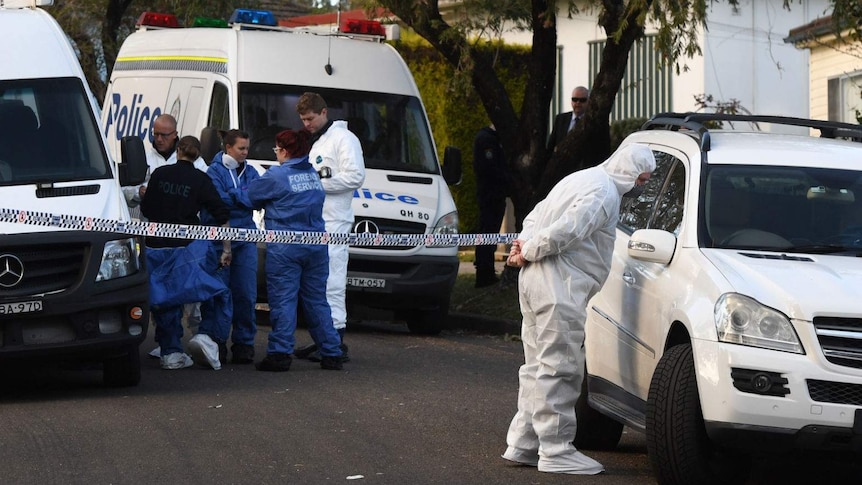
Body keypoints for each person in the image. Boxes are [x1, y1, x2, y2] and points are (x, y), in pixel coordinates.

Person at [501, 143, 655, 475]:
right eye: (642, 179)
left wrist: (523, 245)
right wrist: (529, 249)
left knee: (536, 367)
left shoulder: (581, 178)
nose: (641, 186)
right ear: (629, 172)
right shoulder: (604, 194)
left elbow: (536, 215)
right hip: (560, 285)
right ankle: (555, 450)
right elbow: (567, 230)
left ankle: (523, 443)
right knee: (561, 368)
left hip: (536, 282)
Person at [247, 129, 344, 371]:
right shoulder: (312, 174)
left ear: (285, 151)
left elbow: (248, 197)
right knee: (317, 301)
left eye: (277, 149)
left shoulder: (278, 175)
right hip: (316, 247)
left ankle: (280, 354)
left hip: (286, 249)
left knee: (283, 302)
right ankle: (332, 352)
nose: (276, 154)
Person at [140, 136, 233, 370]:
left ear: (178, 150)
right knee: (214, 288)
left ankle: (170, 350)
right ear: (198, 155)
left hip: (155, 247)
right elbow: (221, 214)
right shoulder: (201, 179)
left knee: (164, 299)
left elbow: (147, 209)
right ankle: (207, 335)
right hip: (186, 250)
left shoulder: (160, 174)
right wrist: (226, 249)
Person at [293, 92, 365, 363]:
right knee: (316, 284)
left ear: (323, 112)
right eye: (303, 120)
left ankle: (336, 340)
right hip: (315, 222)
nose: (307, 124)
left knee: (332, 281)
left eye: (310, 118)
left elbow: (355, 176)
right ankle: (324, 338)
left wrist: (317, 186)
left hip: (334, 221)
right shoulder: (318, 140)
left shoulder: (344, 139)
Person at [200, 129, 260, 365]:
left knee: (246, 293)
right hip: (217, 241)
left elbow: (257, 197)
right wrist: (241, 198)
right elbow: (217, 201)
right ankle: (217, 341)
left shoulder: (251, 171)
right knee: (218, 294)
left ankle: (244, 343)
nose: (246, 153)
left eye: (247, 148)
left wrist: (234, 195)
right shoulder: (213, 172)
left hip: (245, 239)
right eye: (241, 148)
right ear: (227, 148)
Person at [122, 114, 207, 217]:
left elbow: (207, 189)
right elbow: (122, 190)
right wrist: (139, 191)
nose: (159, 139)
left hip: (184, 226)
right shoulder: (144, 159)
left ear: (175, 134)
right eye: (156, 134)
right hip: (151, 226)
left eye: (164, 135)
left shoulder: (194, 161)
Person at [472, 124, 509, 288]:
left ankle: (486, 271)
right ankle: (484, 274)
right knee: (487, 233)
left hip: (493, 193)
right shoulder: (487, 139)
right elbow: (490, 168)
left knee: (490, 234)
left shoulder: (492, 138)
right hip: (490, 194)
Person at [548, 86, 590, 152]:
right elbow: (551, 145)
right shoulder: (560, 119)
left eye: (582, 100)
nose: (578, 103)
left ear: (588, 101)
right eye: (575, 99)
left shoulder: (592, 121)